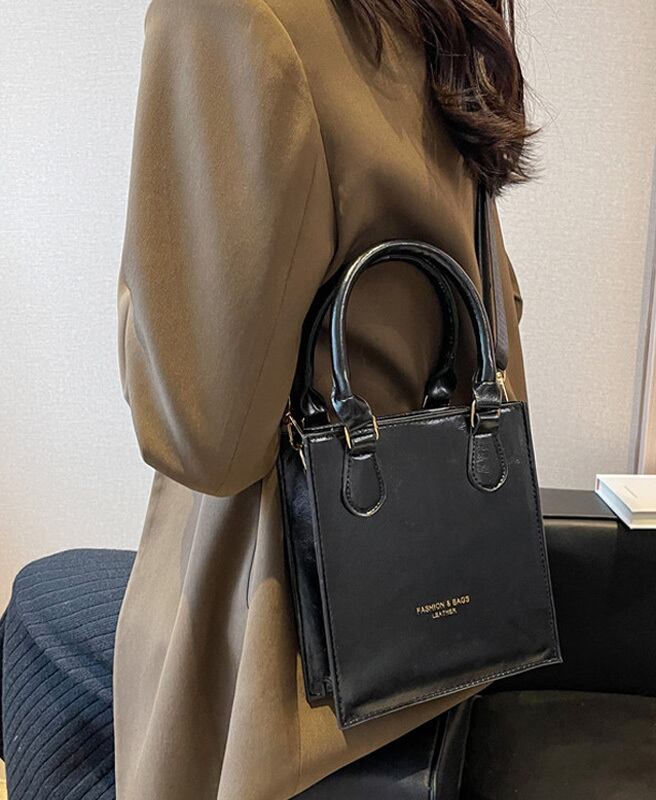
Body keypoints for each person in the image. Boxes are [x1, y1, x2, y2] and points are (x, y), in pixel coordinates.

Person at [1, 1, 533, 798]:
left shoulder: (231, 14)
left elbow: (202, 439)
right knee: (48, 600)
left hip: (294, 647)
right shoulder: (440, 15)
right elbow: (496, 313)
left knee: (33, 624)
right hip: (444, 603)